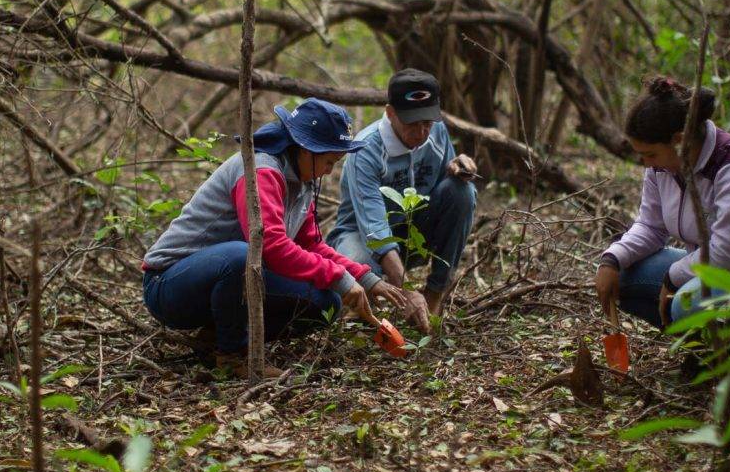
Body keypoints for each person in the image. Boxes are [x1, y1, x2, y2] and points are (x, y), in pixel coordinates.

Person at [142, 98, 413, 378]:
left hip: (224, 282)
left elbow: (311, 245)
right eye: (329, 161)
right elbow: (269, 247)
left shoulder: (302, 182)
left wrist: (365, 278)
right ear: (306, 149)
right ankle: (233, 356)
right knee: (240, 256)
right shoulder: (261, 171)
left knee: (326, 303)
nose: (330, 170)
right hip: (169, 285)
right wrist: (339, 278)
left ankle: (214, 339)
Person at [595, 76, 730, 344]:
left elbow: (729, 250)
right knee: (624, 276)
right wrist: (612, 259)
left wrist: (673, 278)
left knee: (687, 302)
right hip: (719, 272)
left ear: (679, 140)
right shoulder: (661, 168)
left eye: (650, 154)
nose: (646, 163)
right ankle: (703, 349)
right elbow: (650, 226)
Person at [327, 69, 478, 318]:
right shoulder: (366, 151)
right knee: (356, 269)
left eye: (427, 122)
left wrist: (457, 168)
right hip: (361, 235)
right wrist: (406, 290)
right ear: (390, 113)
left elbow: (448, 195)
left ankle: (434, 295)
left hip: (413, 232)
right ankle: (367, 307)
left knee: (462, 191)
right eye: (412, 123)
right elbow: (375, 230)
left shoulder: (437, 132)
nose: (421, 132)